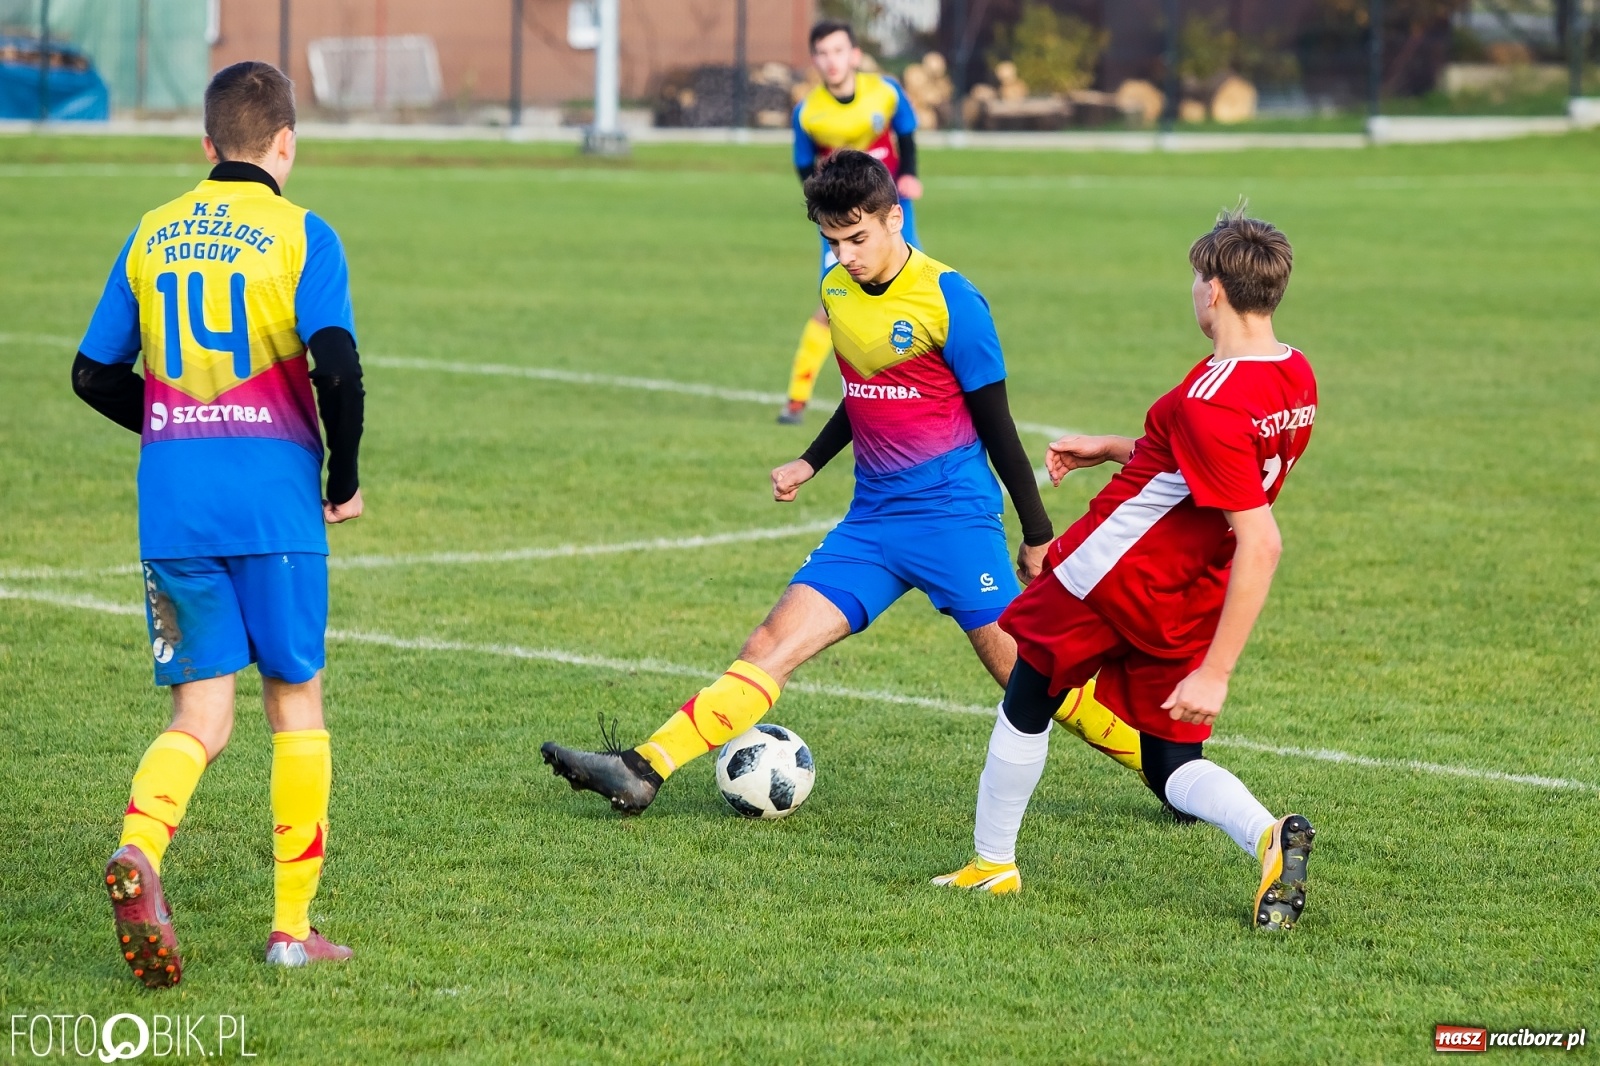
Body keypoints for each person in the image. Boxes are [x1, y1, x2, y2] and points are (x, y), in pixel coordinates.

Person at [541, 150, 1142, 814]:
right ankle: (643, 768)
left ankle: (1160, 765)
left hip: (954, 519)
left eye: (857, 237)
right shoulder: (836, 289)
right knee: (768, 646)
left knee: (1024, 671)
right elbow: (862, 392)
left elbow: (997, 424)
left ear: (894, 219)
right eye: (831, 241)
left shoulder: (952, 300)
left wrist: (1037, 534)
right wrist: (811, 460)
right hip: (874, 523)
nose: (845, 254)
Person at [935, 209, 1319, 932]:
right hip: (1187, 588)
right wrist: (1114, 447)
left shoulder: (1212, 398)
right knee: (1170, 758)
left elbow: (1262, 540)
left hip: (1113, 573)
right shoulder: (1294, 372)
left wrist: (1219, 673)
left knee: (1027, 694)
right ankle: (1268, 835)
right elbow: (1207, 466)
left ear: (1213, 292)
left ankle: (991, 864)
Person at [73, 61, 364, 986]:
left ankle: (141, 851)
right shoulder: (303, 233)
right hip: (273, 501)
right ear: (287, 142)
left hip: (174, 502)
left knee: (201, 711)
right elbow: (338, 367)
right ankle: (290, 929)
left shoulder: (152, 231)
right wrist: (342, 472)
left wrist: (172, 422)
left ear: (205, 146)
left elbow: (91, 374)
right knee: (294, 702)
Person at [778, 20, 922, 426]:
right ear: (815, 60)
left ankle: (912, 391)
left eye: (839, 51)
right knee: (832, 304)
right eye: (823, 53)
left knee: (910, 293)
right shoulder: (809, 112)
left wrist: (909, 173)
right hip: (844, 226)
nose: (832, 61)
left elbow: (907, 134)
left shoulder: (886, 93)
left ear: (855, 55)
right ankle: (796, 398)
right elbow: (804, 169)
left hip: (892, 213)